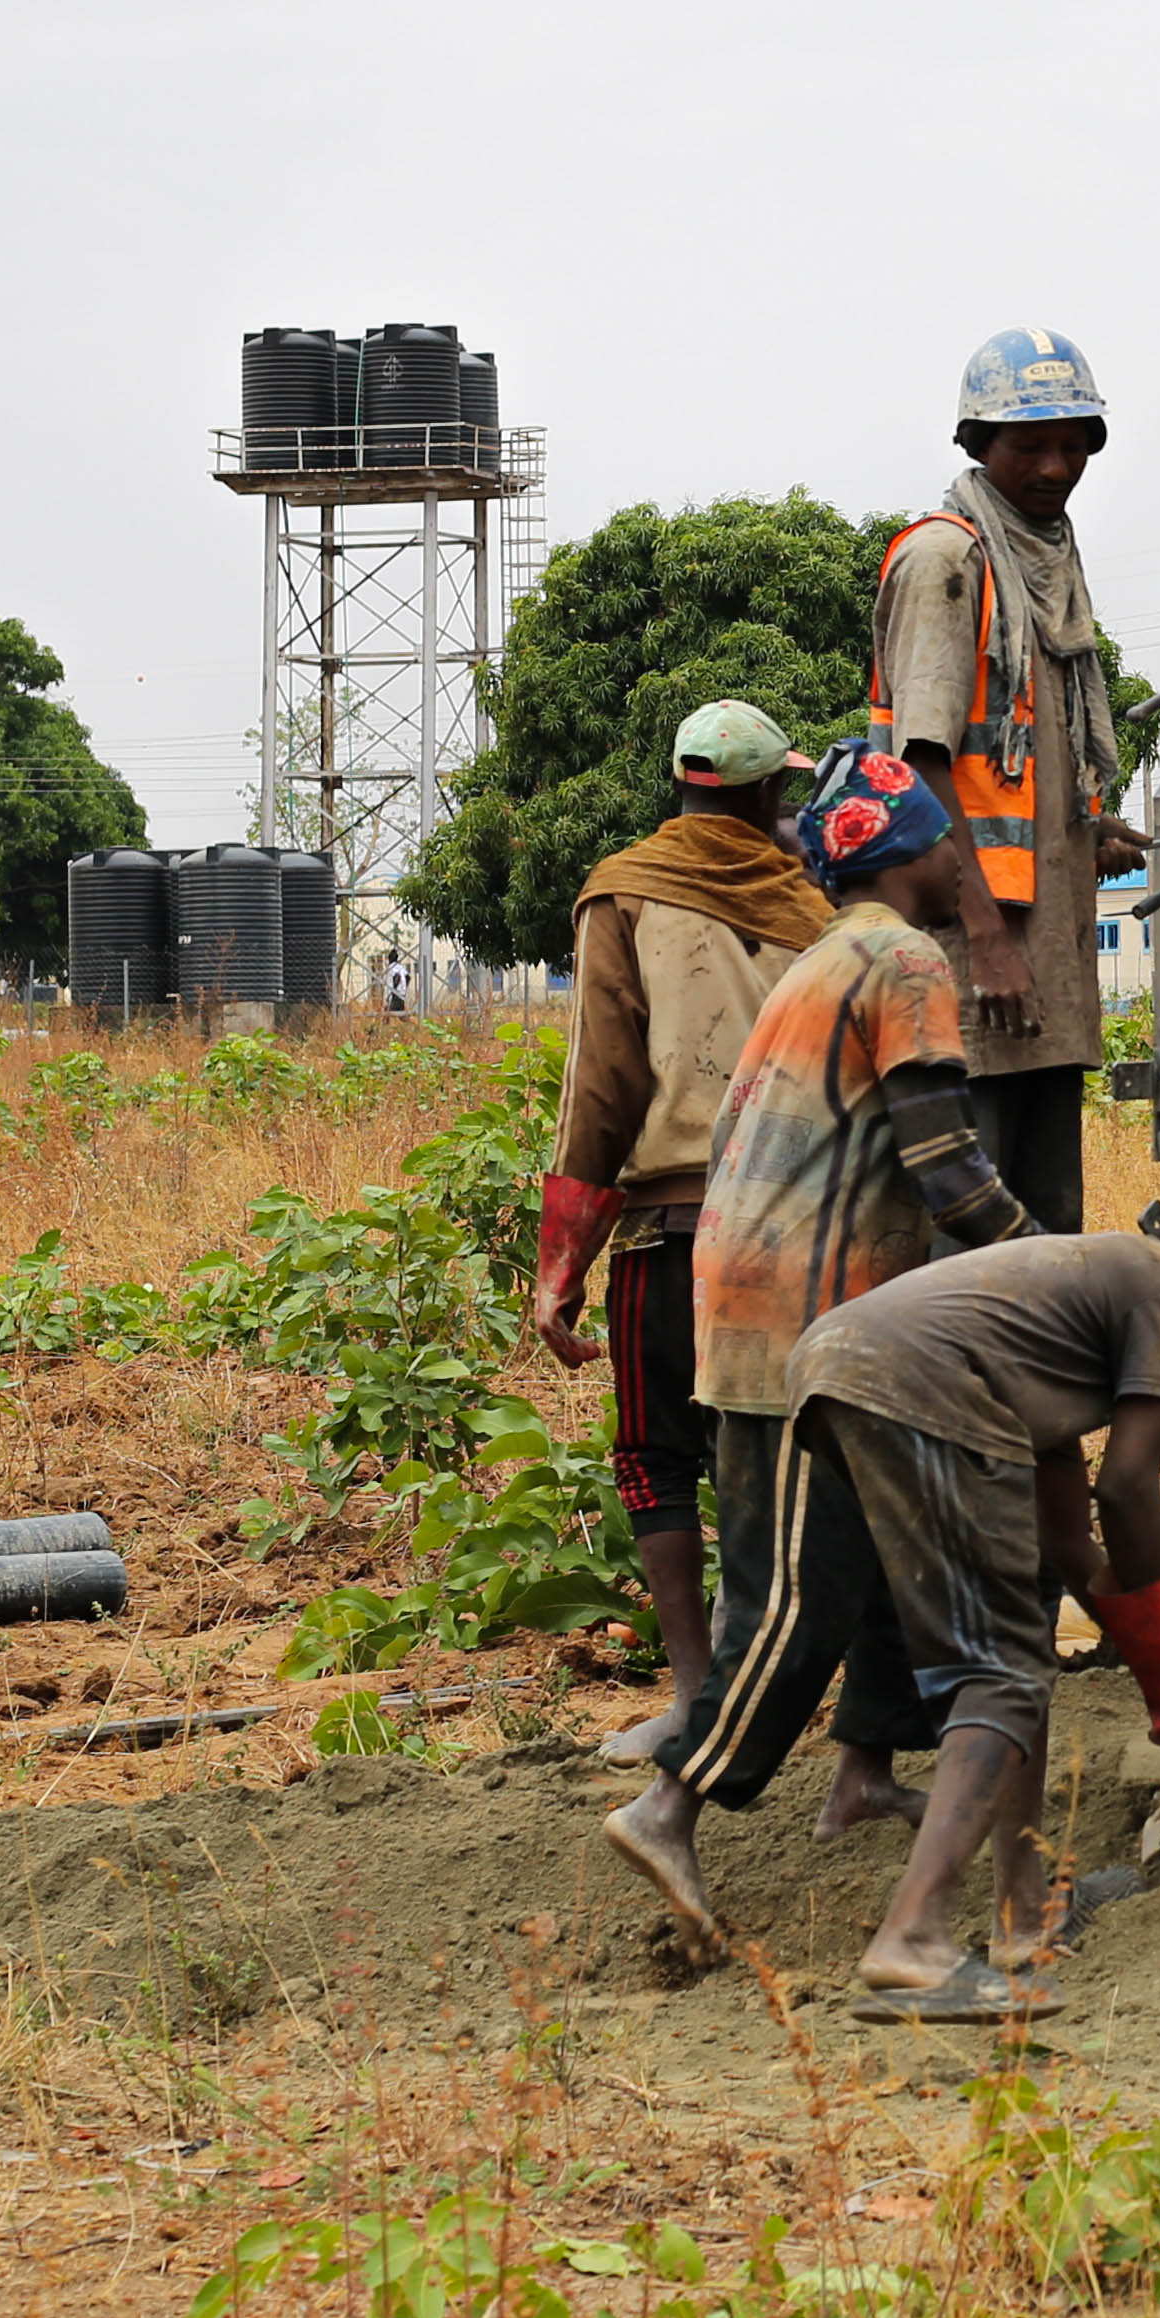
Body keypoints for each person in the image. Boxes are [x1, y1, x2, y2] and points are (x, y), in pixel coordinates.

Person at [603, 752, 1037, 1939]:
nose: (964, 864)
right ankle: (670, 1805)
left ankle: (862, 1777)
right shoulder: (904, 958)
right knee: (802, 1594)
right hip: (807, 1324)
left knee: (898, 1548)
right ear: (907, 852)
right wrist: (1049, 1264)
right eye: (951, 843)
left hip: (770, 1306)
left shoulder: (827, 957)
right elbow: (944, 1163)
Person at [782, 1210, 1160, 2020]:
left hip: (836, 1365)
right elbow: (1126, 1485)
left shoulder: (1054, 1324)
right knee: (1001, 1675)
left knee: (1015, 1648)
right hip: (915, 1379)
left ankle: (1023, 1909)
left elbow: (1071, 1544)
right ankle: (914, 1940)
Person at [529, 697, 832, 1768]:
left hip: (672, 1222)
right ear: (761, 794)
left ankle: (702, 1695)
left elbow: (601, 1085)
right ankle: (778, 1697)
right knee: (787, 1457)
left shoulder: (622, 891)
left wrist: (561, 1261)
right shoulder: (823, 905)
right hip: (804, 1223)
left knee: (656, 1455)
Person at [870, 327, 1151, 1236]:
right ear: (977, 445)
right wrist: (986, 935)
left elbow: (1022, 756)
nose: (1056, 464)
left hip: (1044, 954)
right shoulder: (946, 561)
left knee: (1048, 1229)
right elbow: (920, 763)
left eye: (1073, 444)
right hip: (971, 948)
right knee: (972, 1232)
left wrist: (1084, 829)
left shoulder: (1047, 563)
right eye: (1029, 443)